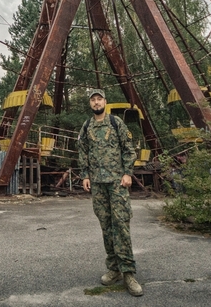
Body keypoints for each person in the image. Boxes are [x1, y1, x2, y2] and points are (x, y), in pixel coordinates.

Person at [77, 88, 142, 296]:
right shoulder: (86, 126)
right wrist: (85, 175)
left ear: (105, 101)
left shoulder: (116, 123)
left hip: (117, 183)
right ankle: (113, 268)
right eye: (93, 100)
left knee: (121, 224)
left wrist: (127, 173)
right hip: (97, 184)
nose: (96, 103)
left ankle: (129, 273)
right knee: (106, 225)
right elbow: (83, 151)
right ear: (90, 104)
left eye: (99, 99)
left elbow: (129, 149)